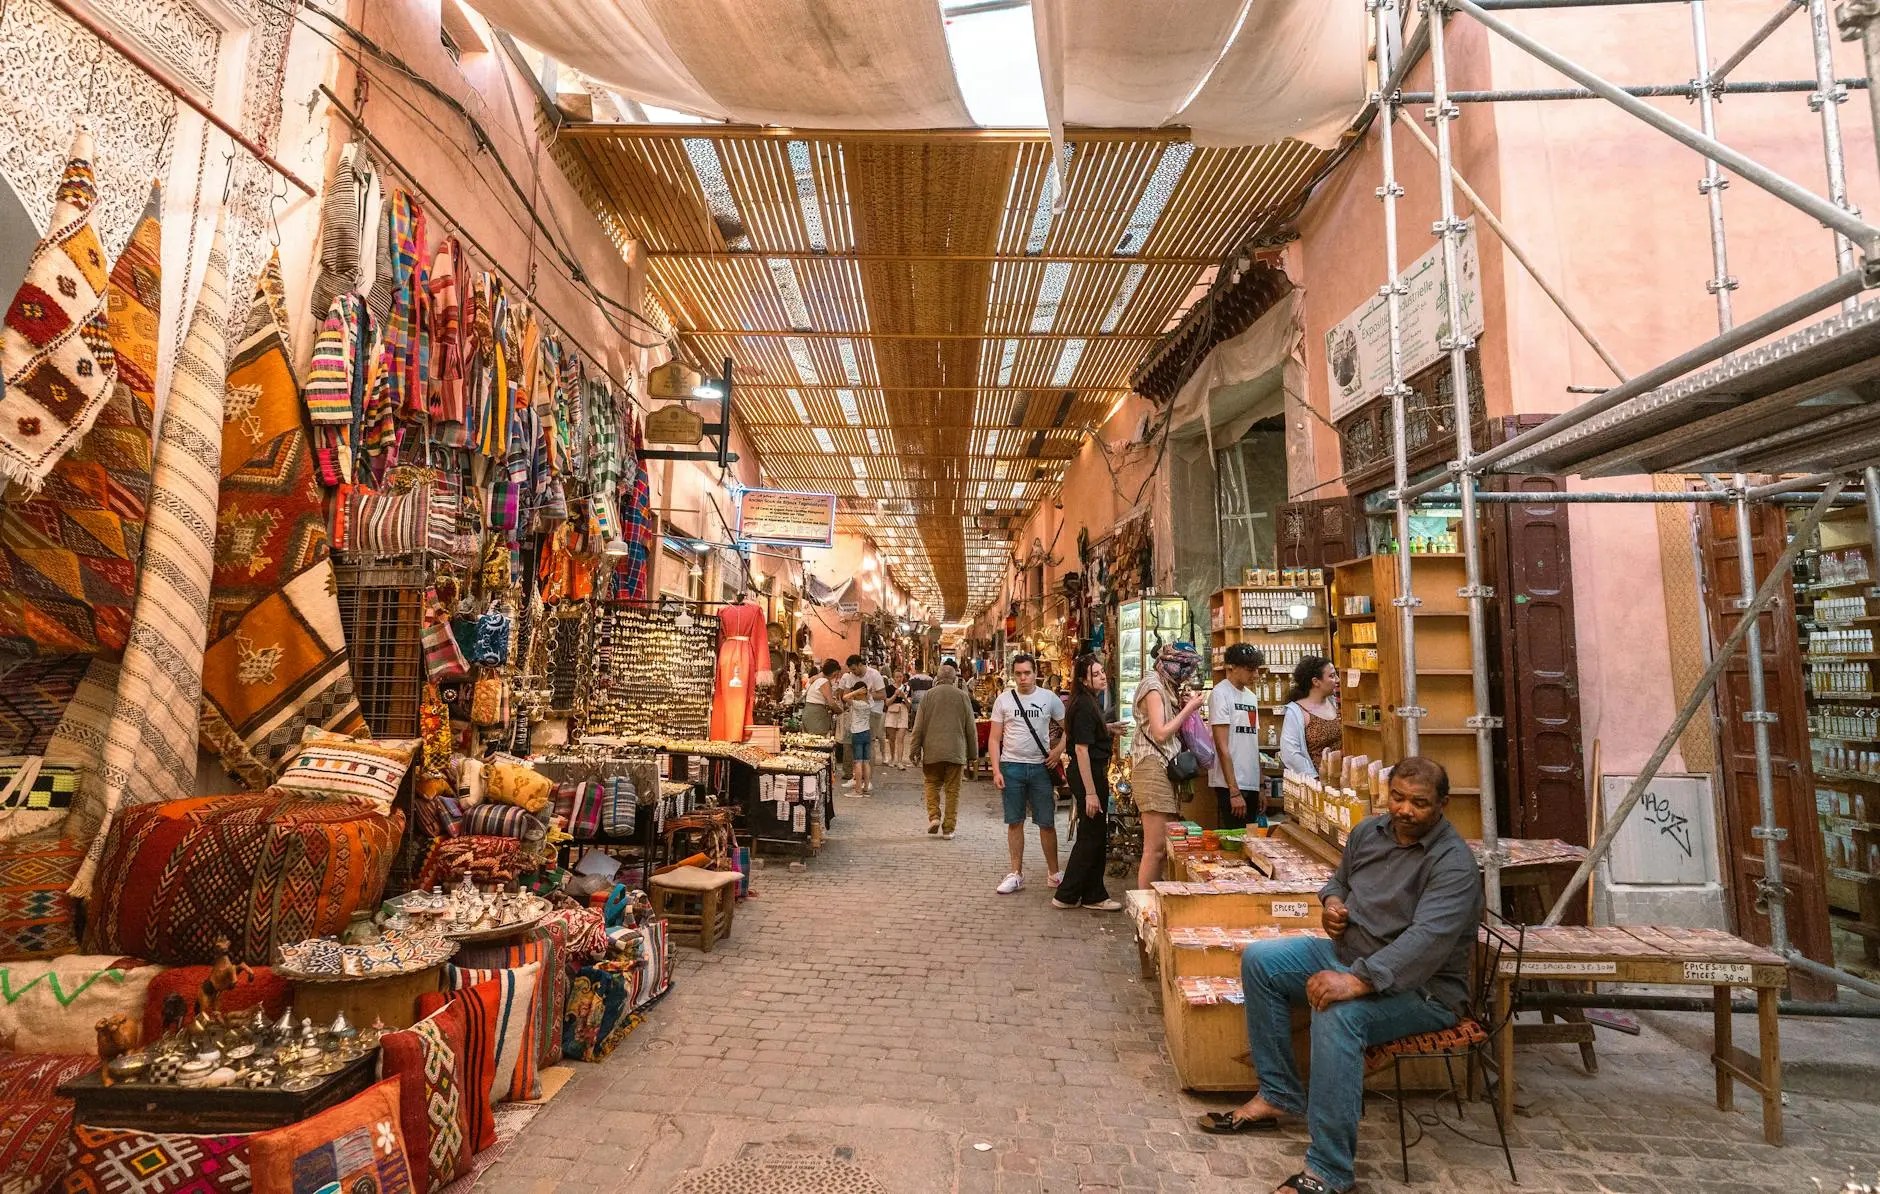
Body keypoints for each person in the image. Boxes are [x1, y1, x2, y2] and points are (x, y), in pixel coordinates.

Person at [1199, 758, 1483, 1194]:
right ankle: (1279, 1094)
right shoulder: (1370, 832)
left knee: (1339, 1015)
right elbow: (1338, 882)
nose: (1405, 810)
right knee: (1262, 961)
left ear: (1443, 805)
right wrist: (1332, 906)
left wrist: (1357, 982)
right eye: (1398, 798)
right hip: (1350, 954)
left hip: (1422, 989)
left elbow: (1427, 941)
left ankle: (1329, 1171)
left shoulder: (1454, 864)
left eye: (1419, 803)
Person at [1129, 642, 1207, 892]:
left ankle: (1153, 901)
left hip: (1162, 768)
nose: (1189, 674)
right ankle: (1144, 907)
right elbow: (1161, 733)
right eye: (1187, 667)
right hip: (1152, 767)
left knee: (1163, 847)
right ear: (1175, 665)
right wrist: (1188, 709)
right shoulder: (1153, 686)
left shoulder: (1166, 686)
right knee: (1155, 848)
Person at [989, 653, 1066, 894]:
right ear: (1014, 675)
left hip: (1041, 767)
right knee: (1015, 821)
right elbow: (994, 737)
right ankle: (1016, 873)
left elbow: (1070, 728)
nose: (1023, 678)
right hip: (1011, 766)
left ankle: (1054, 873)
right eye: (1019, 673)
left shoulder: (1049, 698)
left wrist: (1058, 751)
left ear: (1035, 674)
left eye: (1027, 673)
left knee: (1046, 822)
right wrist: (996, 769)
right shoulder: (1003, 700)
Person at [1053, 654, 1122, 911]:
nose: (1103, 676)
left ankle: (1093, 894)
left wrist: (1108, 728)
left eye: (1102, 671)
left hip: (1091, 772)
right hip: (1088, 774)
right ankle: (1067, 894)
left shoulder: (1088, 701)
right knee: (1090, 836)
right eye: (1096, 673)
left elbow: (1089, 734)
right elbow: (1081, 750)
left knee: (1094, 834)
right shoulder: (1083, 704)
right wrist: (1091, 793)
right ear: (1084, 679)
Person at [909, 663, 976, 838]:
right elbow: (971, 728)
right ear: (955, 679)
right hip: (956, 751)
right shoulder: (963, 697)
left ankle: (934, 817)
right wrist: (973, 755)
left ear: (937, 678)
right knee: (953, 791)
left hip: (932, 750)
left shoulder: (928, 696)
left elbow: (918, 727)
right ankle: (949, 828)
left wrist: (914, 749)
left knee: (932, 784)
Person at [1209, 642, 1267, 828]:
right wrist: (1234, 791)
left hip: (1251, 782)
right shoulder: (1220, 694)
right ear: (1231, 667)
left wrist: (1260, 786)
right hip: (1230, 784)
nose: (1256, 675)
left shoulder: (1251, 697)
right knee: (1234, 843)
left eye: (1256, 669)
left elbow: (1253, 743)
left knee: (1252, 842)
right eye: (1250, 670)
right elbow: (1222, 746)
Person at [1280, 656, 1342, 779]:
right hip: (1314, 783)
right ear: (1316, 682)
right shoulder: (1296, 711)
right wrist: (1314, 778)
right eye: (1332, 676)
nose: (1337, 679)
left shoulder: (1334, 703)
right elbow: (1290, 753)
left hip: (1340, 780)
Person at [839, 654, 885, 793]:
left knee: (868, 746)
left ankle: (867, 780)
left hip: (872, 712)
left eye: (855, 669)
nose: (853, 673)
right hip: (854, 714)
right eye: (851, 671)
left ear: (860, 664)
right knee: (852, 744)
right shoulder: (850, 676)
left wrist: (865, 696)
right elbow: (845, 694)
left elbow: (882, 695)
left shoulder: (874, 674)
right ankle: (856, 777)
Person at [800, 659, 841, 737]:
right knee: (818, 738)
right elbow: (831, 703)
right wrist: (840, 711)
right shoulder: (824, 681)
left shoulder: (818, 680)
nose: (837, 677)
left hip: (810, 712)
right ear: (834, 673)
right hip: (816, 715)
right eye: (837, 675)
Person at [883, 670, 913, 769]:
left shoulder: (907, 688)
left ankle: (900, 761)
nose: (899, 679)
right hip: (892, 712)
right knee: (892, 738)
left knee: (901, 738)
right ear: (893, 677)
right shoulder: (889, 688)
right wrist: (895, 695)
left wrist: (904, 697)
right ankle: (892, 758)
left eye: (900, 676)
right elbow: (887, 703)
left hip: (903, 712)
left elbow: (909, 705)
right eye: (897, 677)